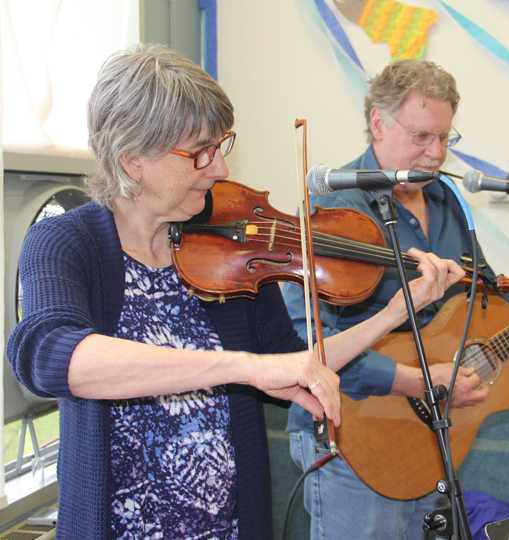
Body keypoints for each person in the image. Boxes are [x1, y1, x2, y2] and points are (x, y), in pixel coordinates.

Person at [5, 45, 464, 540]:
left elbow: (298, 363)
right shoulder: (66, 242)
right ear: (133, 159)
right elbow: (54, 358)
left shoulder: (230, 243)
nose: (220, 169)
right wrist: (242, 365)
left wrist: (396, 311)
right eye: (199, 152)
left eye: (219, 147)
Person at [282, 59, 509, 539]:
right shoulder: (333, 209)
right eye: (420, 137)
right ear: (377, 123)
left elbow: (492, 306)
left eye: (444, 138)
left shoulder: (447, 201)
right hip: (353, 434)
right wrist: (416, 380)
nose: (435, 154)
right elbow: (308, 340)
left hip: (428, 439)